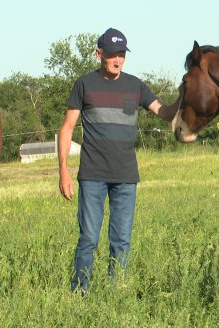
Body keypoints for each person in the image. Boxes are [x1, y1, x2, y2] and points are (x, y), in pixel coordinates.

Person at [58, 27, 179, 292]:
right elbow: (67, 127)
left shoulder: (135, 86)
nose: (118, 60)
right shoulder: (84, 84)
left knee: (121, 240)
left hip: (125, 176)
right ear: (98, 53)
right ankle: (80, 293)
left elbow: (166, 112)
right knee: (88, 238)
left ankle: (117, 294)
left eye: (122, 54)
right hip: (92, 175)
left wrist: (187, 96)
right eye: (112, 54)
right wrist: (64, 171)